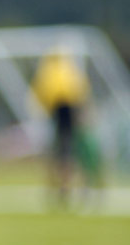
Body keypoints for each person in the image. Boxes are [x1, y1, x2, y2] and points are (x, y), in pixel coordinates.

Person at [31, 47, 91, 208]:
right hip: (63, 115)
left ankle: (62, 187)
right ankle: (64, 187)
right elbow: (81, 92)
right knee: (64, 154)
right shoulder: (69, 71)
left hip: (60, 114)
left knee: (62, 154)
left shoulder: (52, 71)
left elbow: (41, 93)